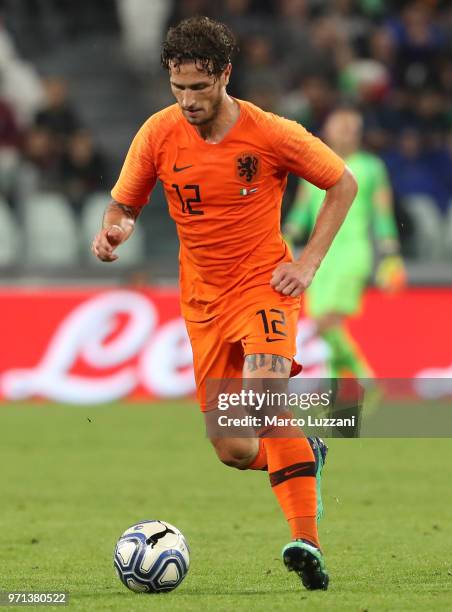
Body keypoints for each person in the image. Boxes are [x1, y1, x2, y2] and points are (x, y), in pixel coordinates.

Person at [91, 16, 357, 591]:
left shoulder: (270, 132)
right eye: (177, 87)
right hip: (202, 301)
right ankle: (301, 450)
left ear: (224, 75)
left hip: (265, 286)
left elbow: (342, 184)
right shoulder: (158, 134)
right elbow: (124, 205)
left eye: (198, 87)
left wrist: (307, 263)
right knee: (235, 447)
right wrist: (116, 230)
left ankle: (305, 541)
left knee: (262, 402)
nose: (187, 100)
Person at [284, 107, 406, 379]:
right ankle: (341, 385)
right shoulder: (314, 163)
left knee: (328, 321)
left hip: (352, 251)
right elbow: (302, 209)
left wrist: (390, 254)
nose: (347, 131)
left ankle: (364, 377)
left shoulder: (372, 167)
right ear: (327, 130)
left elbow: (383, 213)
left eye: (352, 127)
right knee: (322, 322)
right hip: (316, 255)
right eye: (341, 126)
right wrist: (286, 237)